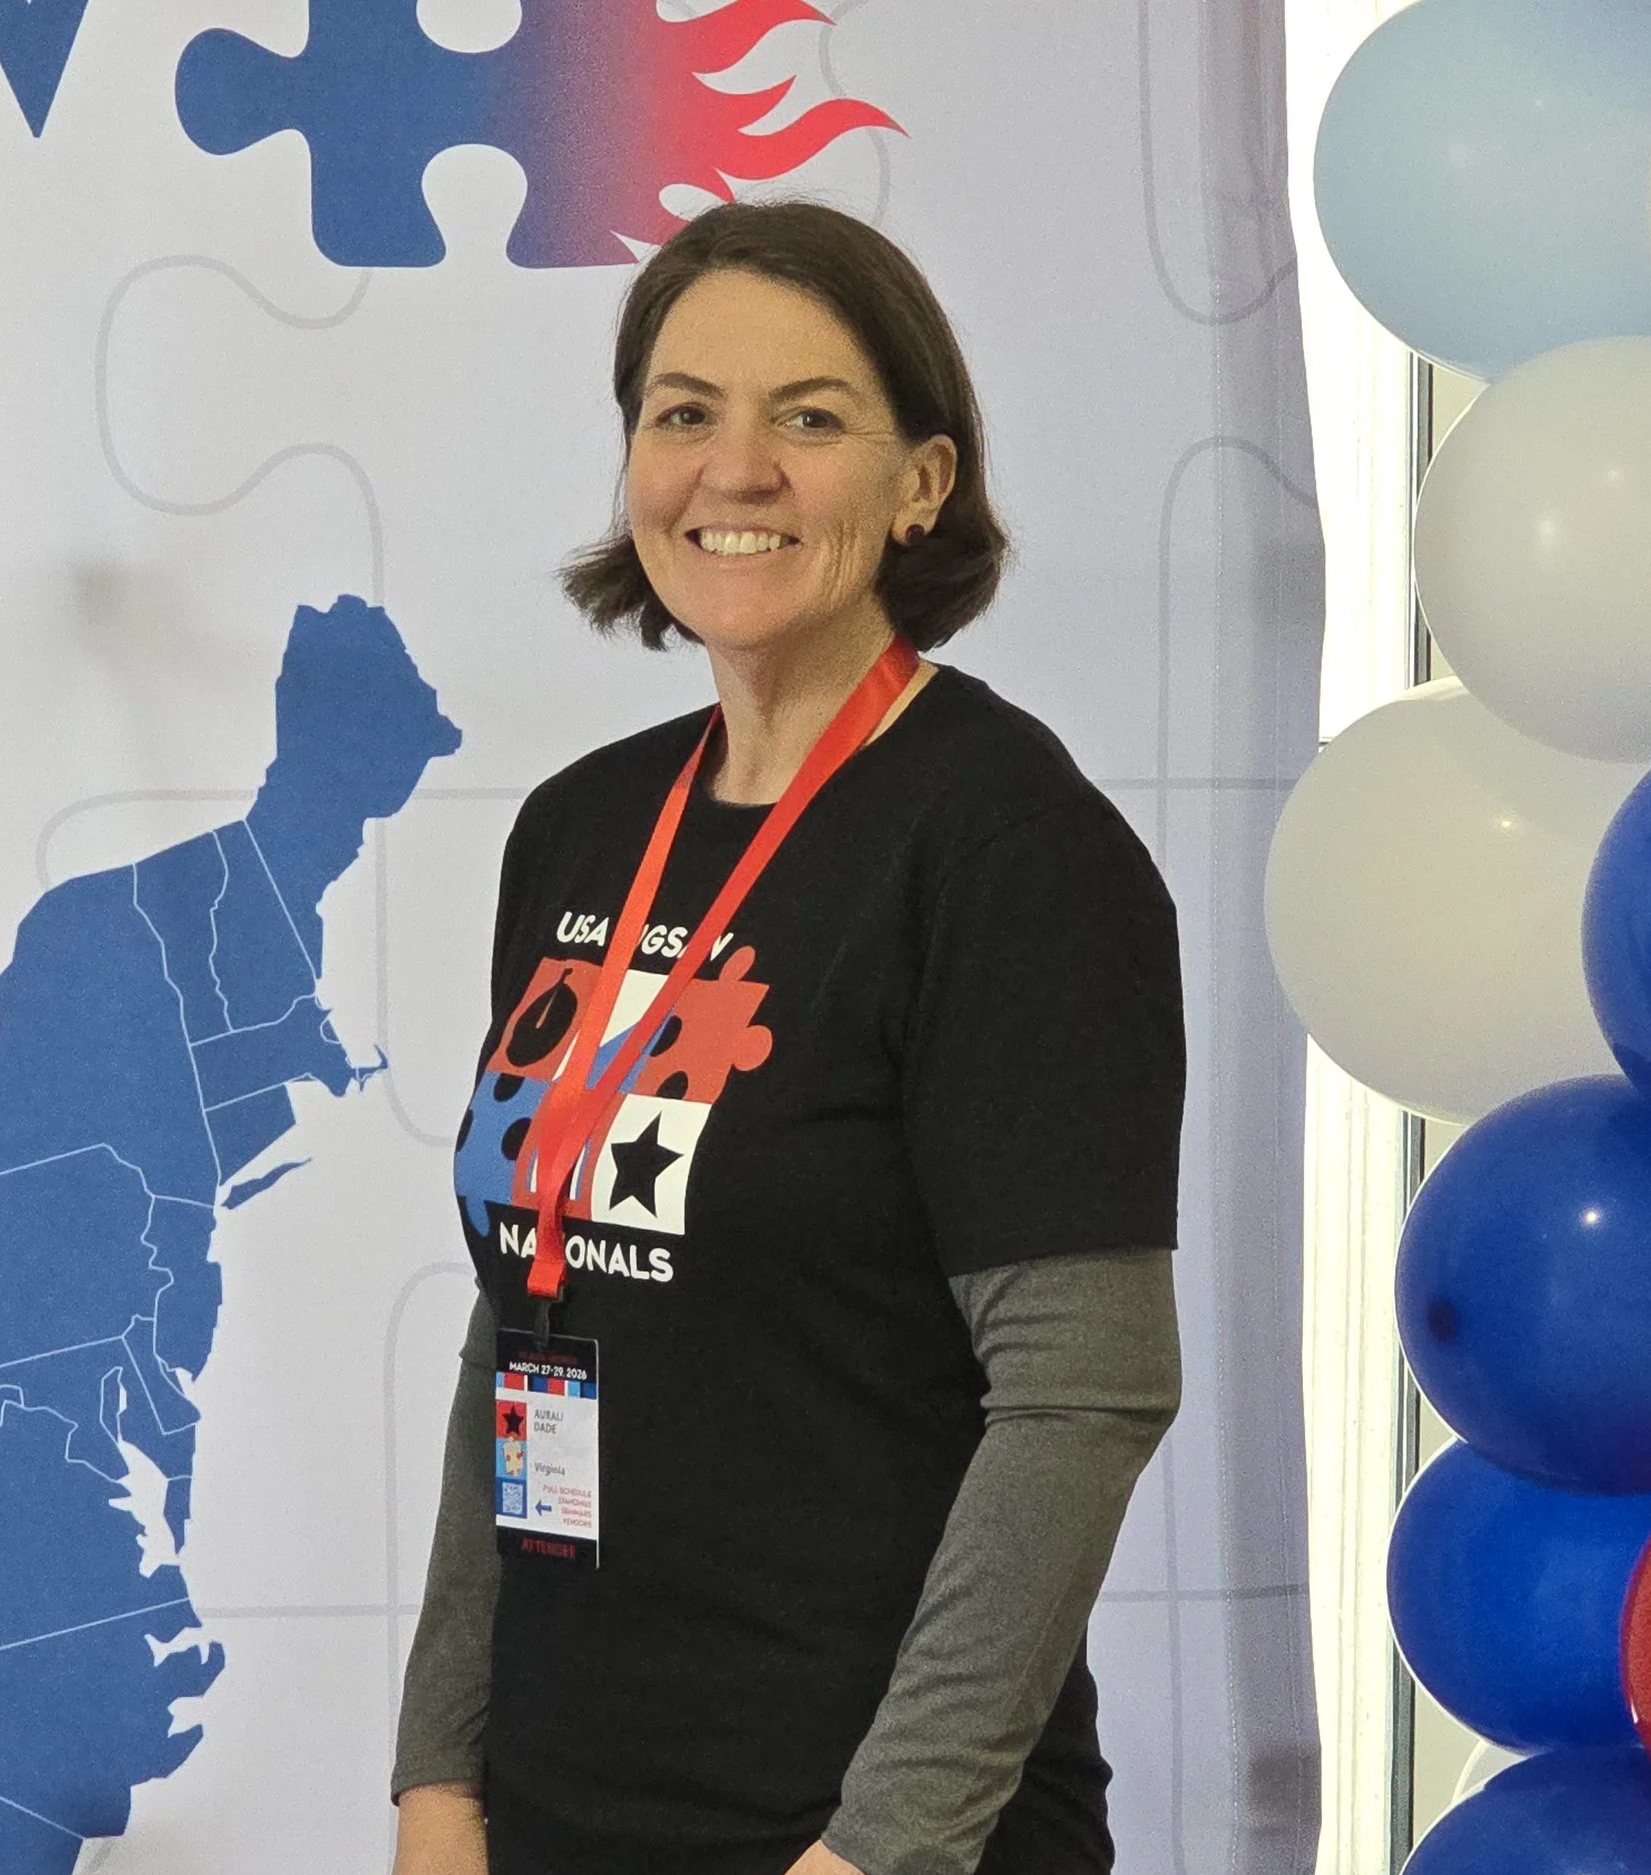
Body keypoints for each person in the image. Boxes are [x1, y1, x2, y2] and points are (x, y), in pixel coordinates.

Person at [393, 200, 1185, 1875]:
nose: (732, 470)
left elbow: (1081, 1396)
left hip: (870, 1829)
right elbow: (517, 1324)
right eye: (683, 414)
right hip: (556, 1805)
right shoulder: (579, 831)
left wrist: (875, 1852)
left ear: (923, 483)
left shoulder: (1008, 848)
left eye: (808, 418)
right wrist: (440, 1777)